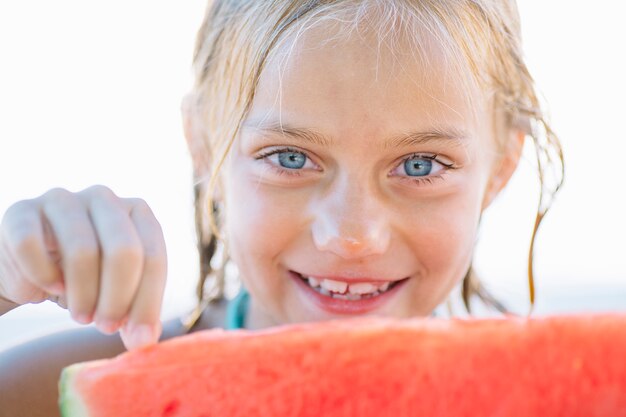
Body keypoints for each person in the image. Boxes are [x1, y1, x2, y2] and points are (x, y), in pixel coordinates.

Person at [0, 0, 564, 415]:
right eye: (290, 158)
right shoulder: (54, 388)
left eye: (421, 165)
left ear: (500, 168)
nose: (351, 235)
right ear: (204, 148)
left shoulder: (550, 402)